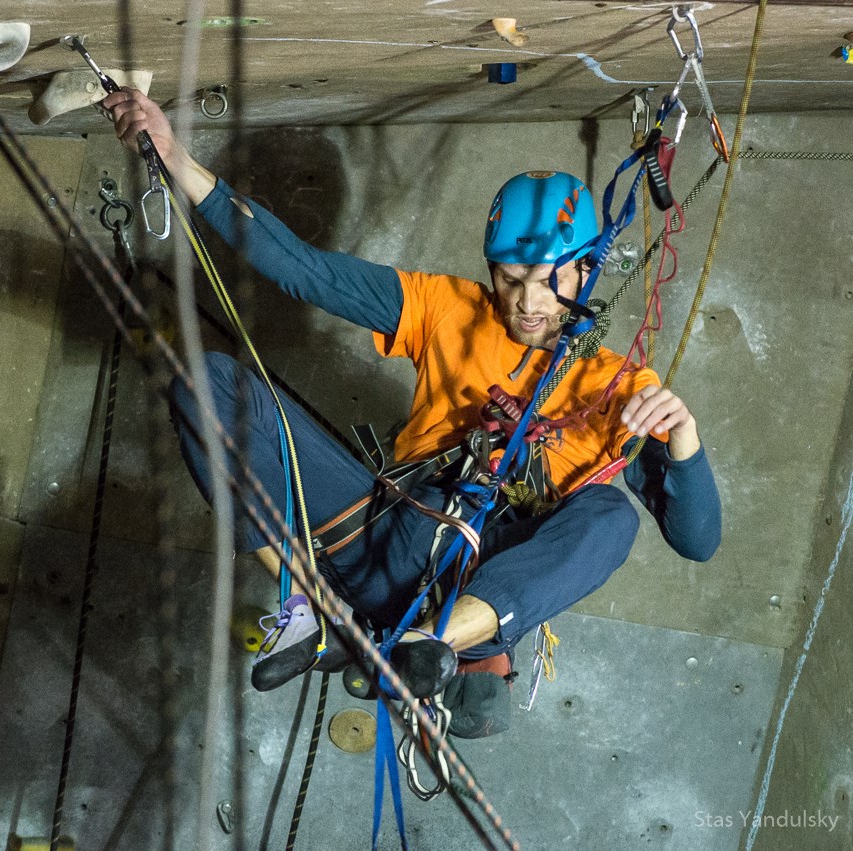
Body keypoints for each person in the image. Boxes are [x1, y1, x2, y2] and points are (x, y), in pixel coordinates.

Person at [103, 90, 721, 717]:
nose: (528, 303)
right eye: (510, 279)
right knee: (209, 381)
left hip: (475, 589)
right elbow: (305, 270)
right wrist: (175, 155)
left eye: (549, 281)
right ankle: (312, 610)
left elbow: (697, 542)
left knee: (611, 515)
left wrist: (684, 441)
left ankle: (429, 647)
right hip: (384, 538)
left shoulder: (617, 388)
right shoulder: (446, 308)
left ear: (587, 270)